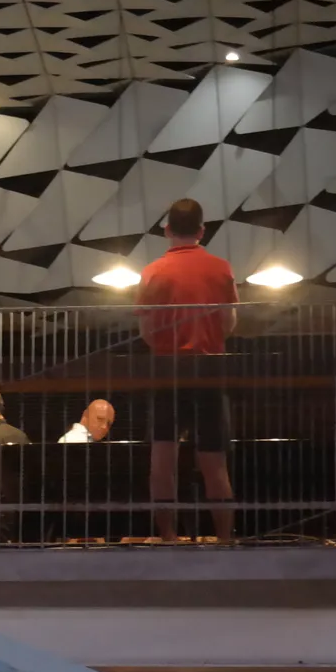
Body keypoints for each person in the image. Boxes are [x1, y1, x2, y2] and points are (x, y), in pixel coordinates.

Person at [133, 197, 245, 541]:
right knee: (214, 460)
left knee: (163, 458)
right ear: (201, 231)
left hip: (167, 370)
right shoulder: (221, 268)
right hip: (210, 369)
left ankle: (168, 537)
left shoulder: (152, 272)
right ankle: (224, 538)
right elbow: (228, 323)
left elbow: (146, 331)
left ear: (167, 230)